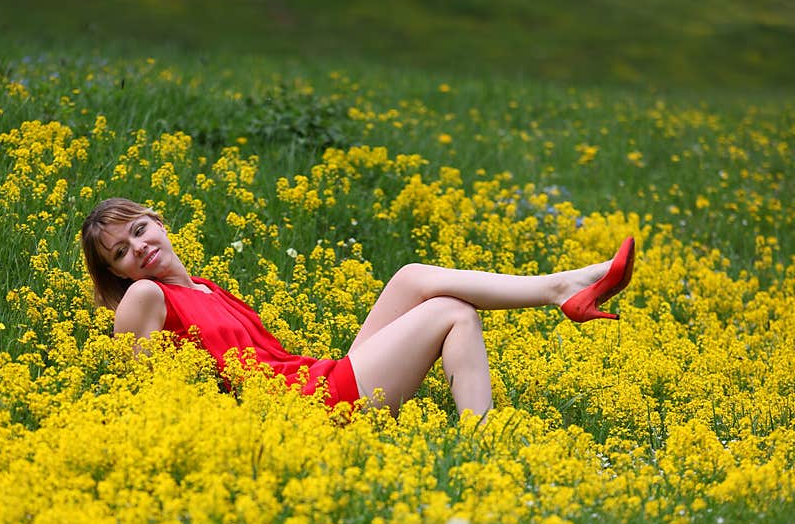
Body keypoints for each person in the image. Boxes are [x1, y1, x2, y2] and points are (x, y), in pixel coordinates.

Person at [80, 197, 635, 423]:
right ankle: (486, 441)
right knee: (452, 312)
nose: (139, 248)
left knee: (414, 279)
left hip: (307, 384)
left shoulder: (204, 288)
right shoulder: (145, 298)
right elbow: (150, 394)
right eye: (121, 253)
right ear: (119, 275)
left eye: (138, 230)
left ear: (157, 220)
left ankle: (564, 287)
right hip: (299, 412)